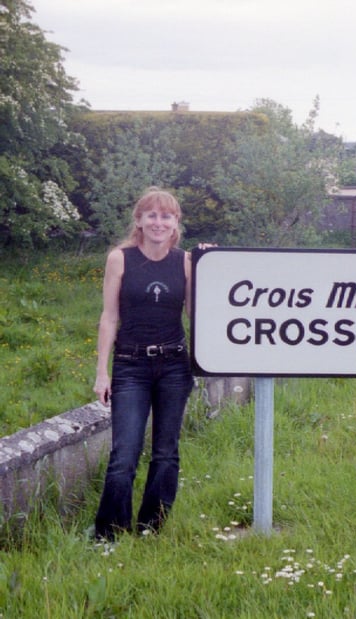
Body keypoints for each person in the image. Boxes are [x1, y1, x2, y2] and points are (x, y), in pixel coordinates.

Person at [92, 187, 195, 541]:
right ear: (138, 220)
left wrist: (211, 261)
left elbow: (196, 314)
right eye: (151, 215)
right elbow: (109, 317)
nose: (158, 222)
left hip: (173, 366)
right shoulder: (120, 259)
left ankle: (151, 527)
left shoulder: (185, 262)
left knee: (166, 453)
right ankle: (108, 534)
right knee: (124, 455)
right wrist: (101, 373)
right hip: (130, 366)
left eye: (166, 216)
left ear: (175, 223)